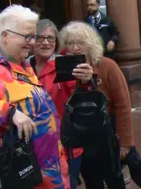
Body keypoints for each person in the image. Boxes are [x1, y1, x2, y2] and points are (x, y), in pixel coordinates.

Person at [0, 5, 67, 188]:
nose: (32, 42)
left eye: (33, 36)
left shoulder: (18, 64)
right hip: (18, 178)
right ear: (5, 36)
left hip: (42, 173)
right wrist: (8, 113)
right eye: (27, 36)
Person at [59, 21, 134, 188]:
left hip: (106, 135)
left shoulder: (107, 66)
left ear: (90, 44)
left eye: (80, 43)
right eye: (71, 43)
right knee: (92, 182)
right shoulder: (66, 71)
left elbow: (123, 105)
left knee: (114, 179)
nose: (75, 48)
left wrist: (125, 142)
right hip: (82, 138)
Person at [29, 19, 93, 189]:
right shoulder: (24, 67)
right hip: (34, 144)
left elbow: (79, 97)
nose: (45, 42)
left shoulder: (62, 65)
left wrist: (85, 82)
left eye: (50, 38)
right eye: (40, 38)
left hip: (65, 144)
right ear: (32, 40)